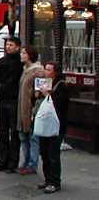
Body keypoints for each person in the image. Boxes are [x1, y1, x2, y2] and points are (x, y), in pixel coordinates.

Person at [0, 35, 23, 174]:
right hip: (2, 99)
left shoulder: (20, 63)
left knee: (14, 133)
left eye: (11, 45)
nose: (8, 47)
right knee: (2, 132)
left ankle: (13, 162)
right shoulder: (2, 61)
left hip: (15, 100)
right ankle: (2, 161)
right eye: (7, 45)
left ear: (17, 47)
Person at [36, 61, 69, 194]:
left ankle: (55, 182)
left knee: (53, 154)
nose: (46, 71)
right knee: (44, 152)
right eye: (45, 69)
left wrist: (48, 95)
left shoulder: (61, 85)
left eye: (49, 70)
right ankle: (47, 179)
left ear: (55, 71)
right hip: (44, 123)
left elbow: (61, 104)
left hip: (56, 124)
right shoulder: (45, 82)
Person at [17, 44, 45, 175]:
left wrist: (35, 110)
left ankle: (32, 164)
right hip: (22, 109)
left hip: (32, 110)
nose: (21, 55)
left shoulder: (38, 71)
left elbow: (40, 93)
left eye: (24, 53)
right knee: (24, 137)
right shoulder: (25, 70)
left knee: (33, 138)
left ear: (30, 55)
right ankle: (26, 161)